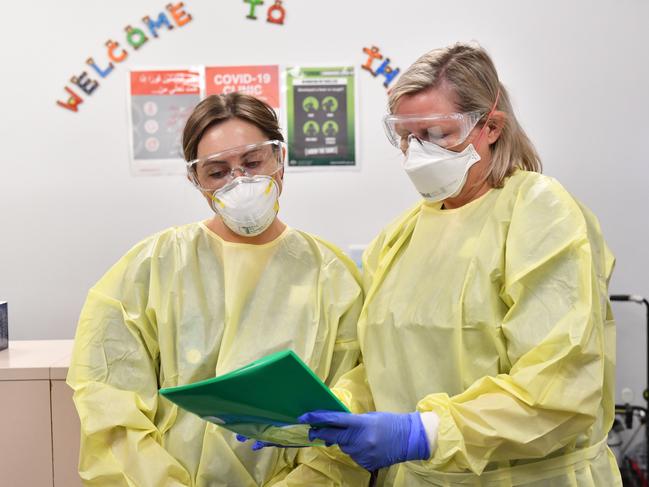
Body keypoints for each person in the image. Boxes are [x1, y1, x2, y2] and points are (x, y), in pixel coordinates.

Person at [248, 42, 621, 486]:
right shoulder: (400, 235)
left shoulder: (539, 213)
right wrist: (327, 411)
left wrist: (421, 432)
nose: (417, 152)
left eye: (437, 134)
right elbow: (386, 365)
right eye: (406, 136)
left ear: (492, 127)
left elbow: (559, 391)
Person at [66, 93, 364, 486]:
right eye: (217, 172)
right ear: (196, 179)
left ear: (280, 159)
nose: (239, 182)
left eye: (253, 162)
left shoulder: (331, 273)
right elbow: (109, 403)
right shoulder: (155, 265)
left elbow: (352, 403)